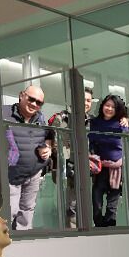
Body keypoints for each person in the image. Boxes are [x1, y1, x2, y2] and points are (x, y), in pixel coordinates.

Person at [8, 86, 54, 230]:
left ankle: (23, 245)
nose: (34, 104)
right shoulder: (3, 112)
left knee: (27, 211)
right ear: (22, 95)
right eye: (31, 99)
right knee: (9, 212)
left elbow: (48, 137)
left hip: (34, 173)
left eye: (39, 102)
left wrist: (48, 147)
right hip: (10, 174)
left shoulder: (40, 118)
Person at [48, 88, 95, 228]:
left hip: (89, 170)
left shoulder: (93, 121)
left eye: (88, 100)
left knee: (89, 204)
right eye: (83, 99)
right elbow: (54, 142)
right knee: (71, 207)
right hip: (68, 171)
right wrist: (67, 160)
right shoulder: (61, 118)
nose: (86, 103)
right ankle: (73, 236)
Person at [88, 94, 129, 227]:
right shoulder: (95, 122)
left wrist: (127, 119)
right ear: (102, 106)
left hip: (117, 166)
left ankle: (110, 224)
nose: (109, 109)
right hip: (100, 166)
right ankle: (98, 223)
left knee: (113, 198)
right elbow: (91, 142)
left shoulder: (121, 123)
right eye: (107, 105)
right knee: (97, 195)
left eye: (113, 107)